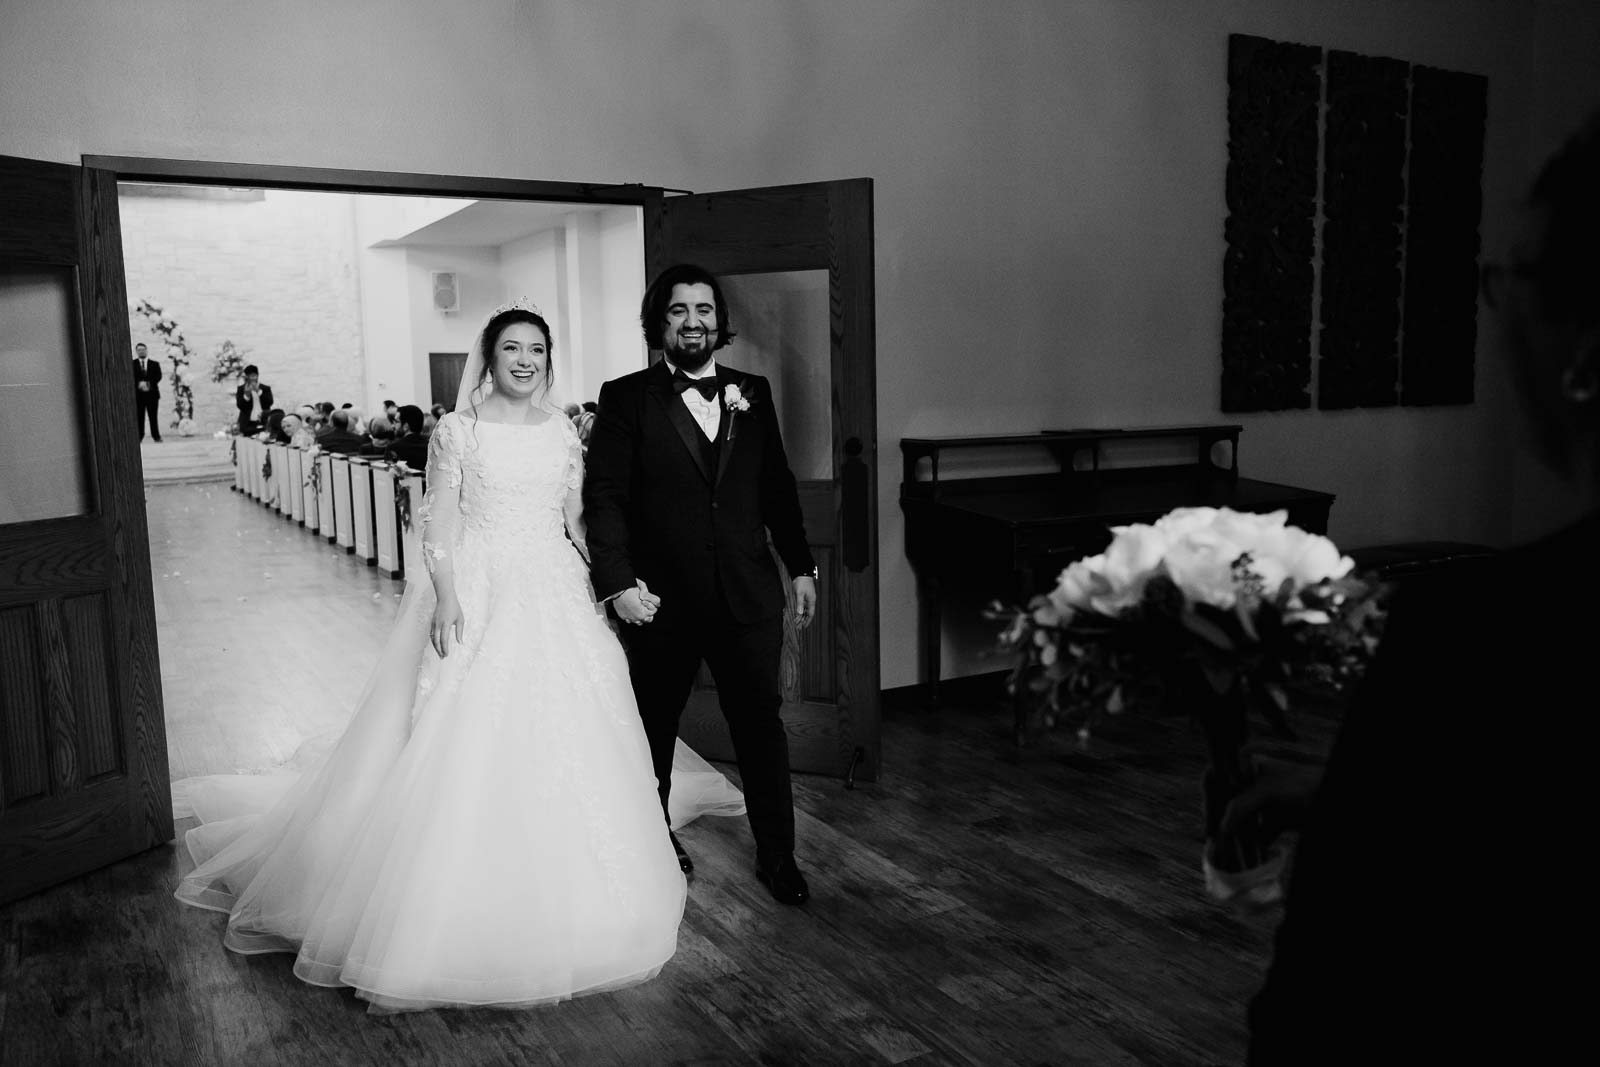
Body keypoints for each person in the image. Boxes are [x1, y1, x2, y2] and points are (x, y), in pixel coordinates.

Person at [172, 299, 744, 1013]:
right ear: (490, 355)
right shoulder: (458, 431)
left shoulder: (561, 430)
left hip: (553, 586)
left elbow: (575, 516)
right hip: (479, 581)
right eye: (513, 347)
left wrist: (614, 580)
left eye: (537, 348)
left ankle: (574, 882)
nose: (526, 359)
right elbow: (437, 521)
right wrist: (446, 595)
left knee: (575, 719)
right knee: (465, 725)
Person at [1240, 110, 1600, 1064]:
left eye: (1510, 281)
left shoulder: (1475, 643)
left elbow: (1320, 1011)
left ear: (1586, 351)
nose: (1497, 315)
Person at [584, 263, 818, 905]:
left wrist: (801, 566)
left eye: (705, 311)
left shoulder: (754, 391)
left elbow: (776, 486)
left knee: (761, 728)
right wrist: (617, 582)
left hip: (746, 594)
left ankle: (778, 856)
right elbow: (603, 497)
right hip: (659, 601)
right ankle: (653, 843)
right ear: (658, 324)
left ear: (721, 323)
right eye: (679, 311)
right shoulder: (626, 396)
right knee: (652, 729)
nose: (694, 322)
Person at [132, 342, 163, 442]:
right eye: (139, 350)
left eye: (143, 349)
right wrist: (139, 384)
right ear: (136, 351)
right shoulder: (132, 364)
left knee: (153, 416)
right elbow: (130, 377)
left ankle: (156, 436)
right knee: (139, 417)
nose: (141, 351)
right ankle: (139, 436)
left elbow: (158, 376)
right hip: (138, 395)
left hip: (152, 395)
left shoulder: (154, 364)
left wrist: (148, 384)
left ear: (146, 350)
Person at [386, 404, 429, 470]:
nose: (393, 426)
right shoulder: (432, 447)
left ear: (406, 426)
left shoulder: (393, 449)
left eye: (396, 422)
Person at [236, 365, 273, 436]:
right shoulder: (241, 389)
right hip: (247, 424)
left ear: (257, 376)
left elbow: (269, 402)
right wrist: (247, 395)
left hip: (263, 423)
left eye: (253, 376)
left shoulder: (265, 388)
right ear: (246, 377)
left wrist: (259, 391)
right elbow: (240, 406)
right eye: (249, 376)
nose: (252, 378)